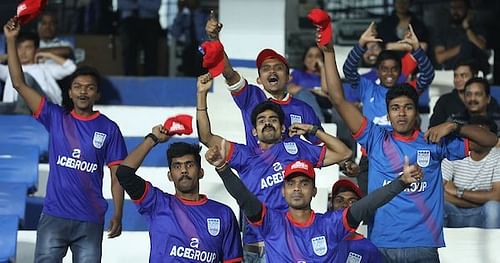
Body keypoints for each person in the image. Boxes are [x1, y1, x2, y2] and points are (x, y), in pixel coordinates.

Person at [322, 29, 498, 261]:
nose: (401, 114)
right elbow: (337, 98)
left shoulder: (433, 141)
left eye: (408, 107)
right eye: (395, 108)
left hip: (423, 247)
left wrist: (455, 126)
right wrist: (328, 51)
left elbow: (490, 141)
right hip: (382, 245)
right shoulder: (375, 138)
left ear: (417, 112)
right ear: (388, 113)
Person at [4, 17, 127, 262]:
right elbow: (18, 82)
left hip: (90, 219)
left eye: (89, 87)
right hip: (54, 217)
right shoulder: (55, 116)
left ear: (97, 93)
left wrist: (118, 212)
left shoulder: (109, 129)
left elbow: (117, 175)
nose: (83, 91)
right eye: (78, 86)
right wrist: (10, 39)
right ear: (69, 92)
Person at [197, 73, 353, 262]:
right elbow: (206, 137)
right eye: (261, 121)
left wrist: (313, 130)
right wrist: (201, 95)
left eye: (273, 119)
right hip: (257, 243)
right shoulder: (244, 155)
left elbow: (343, 153)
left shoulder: (298, 148)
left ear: (282, 128)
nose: (267, 123)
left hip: (291, 242)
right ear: (254, 130)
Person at [205, 152, 423, 261]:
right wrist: (223, 168)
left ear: (314, 191)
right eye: (291, 183)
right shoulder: (271, 222)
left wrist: (401, 182)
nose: (297, 188)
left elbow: (367, 204)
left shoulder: (332, 224)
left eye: (304, 183)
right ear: (283, 191)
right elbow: (244, 198)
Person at [116, 131, 243, 262]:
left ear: (201, 172)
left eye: (189, 164)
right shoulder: (156, 203)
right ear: (170, 175)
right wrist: (152, 139)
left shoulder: (223, 214)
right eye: (177, 166)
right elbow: (124, 174)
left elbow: (233, 261)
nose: (184, 170)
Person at [343, 22, 434, 195]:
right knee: (370, 205)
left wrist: (416, 49)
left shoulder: (407, 91)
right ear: (377, 71)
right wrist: (361, 44)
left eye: (394, 69)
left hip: (403, 156)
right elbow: (348, 70)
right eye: (384, 69)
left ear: (400, 71)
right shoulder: (368, 88)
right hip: (371, 158)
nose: (389, 74)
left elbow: (428, 74)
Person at [205, 16, 323, 149]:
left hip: (290, 168)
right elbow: (229, 74)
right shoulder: (251, 95)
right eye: (266, 69)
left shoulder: (303, 108)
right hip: (257, 167)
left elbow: (321, 144)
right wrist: (215, 40)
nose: (272, 71)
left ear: (289, 77)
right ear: (259, 80)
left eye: (278, 68)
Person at [442, 116, 500, 228]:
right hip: (455, 211)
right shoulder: (454, 152)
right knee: (439, 206)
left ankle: (494, 245)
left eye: (482, 134)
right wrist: (480, 198)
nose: (476, 137)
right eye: (473, 133)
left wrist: (458, 192)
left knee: (494, 208)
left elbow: (497, 196)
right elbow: (441, 193)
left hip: (483, 212)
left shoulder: (497, 156)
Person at [1, 31, 76, 113]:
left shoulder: (44, 67)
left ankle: (21, 112)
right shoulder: (9, 69)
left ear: (36, 50)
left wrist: (48, 55)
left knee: (25, 77)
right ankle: (20, 111)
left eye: (28, 48)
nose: (23, 52)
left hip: (44, 107)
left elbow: (71, 68)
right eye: (19, 48)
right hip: (12, 107)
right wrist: (7, 56)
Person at [429, 62, 499, 128]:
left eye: (464, 75)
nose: (458, 80)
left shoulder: (491, 103)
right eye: (455, 76)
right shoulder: (445, 102)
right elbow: (433, 128)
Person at [329, 179, 383, 262]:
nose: (345, 205)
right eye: (339, 200)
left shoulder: (369, 249)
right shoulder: (318, 238)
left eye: (352, 201)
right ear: (331, 206)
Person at [433, 0, 490, 73]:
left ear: (468, 10)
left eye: (459, 8)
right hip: (451, 73)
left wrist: (467, 28)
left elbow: (482, 47)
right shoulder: (443, 30)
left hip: (475, 72)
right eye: (453, 8)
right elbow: (440, 58)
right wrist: (463, 47)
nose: (455, 11)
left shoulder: (477, 28)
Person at [118, 0, 162, 75]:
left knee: (151, 53)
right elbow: (121, 4)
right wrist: (144, 4)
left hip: (149, 22)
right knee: (129, 51)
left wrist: (137, 2)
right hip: (129, 22)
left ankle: (151, 80)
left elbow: (156, 6)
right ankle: (130, 79)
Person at [287, 45, 328, 122]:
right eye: (310, 56)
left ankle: (317, 122)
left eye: (317, 56)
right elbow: (290, 89)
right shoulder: (297, 73)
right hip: (303, 104)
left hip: (323, 106)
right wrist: (313, 91)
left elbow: (326, 91)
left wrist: (322, 67)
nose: (314, 59)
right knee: (302, 94)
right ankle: (315, 121)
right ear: (304, 59)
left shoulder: (326, 75)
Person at [169, 0, 209, 77]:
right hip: (189, 47)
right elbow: (174, 32)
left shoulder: (205, 15)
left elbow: (210, 34)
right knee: (188, 53)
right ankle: (189, 78)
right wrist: (180, 12)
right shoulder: (184, 17)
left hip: (202, 46)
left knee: (200, 54)